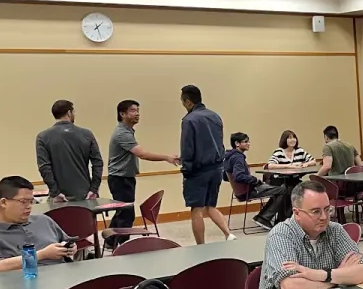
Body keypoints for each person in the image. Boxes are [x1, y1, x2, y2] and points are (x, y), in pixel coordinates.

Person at [106, 100, 178, 248]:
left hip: (124, 178)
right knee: (126, 214)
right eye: (133, 110)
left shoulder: (127, 131)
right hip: (120, 179)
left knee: (123, 213)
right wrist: (166, 157)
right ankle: (117, 245)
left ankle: (111, 242)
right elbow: (142, 154)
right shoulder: (122, 133)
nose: (137, 113)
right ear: (122, 114)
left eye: (138, 110)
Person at [179, 84, 233, 245]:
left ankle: (200, 246)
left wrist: (186, 167)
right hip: (216, 168)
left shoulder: (189, 120)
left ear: (188, 102)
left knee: (196, 209)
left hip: (197, 170)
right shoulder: (215, 116)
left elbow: (188, 147)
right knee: (210, 205)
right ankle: (229, 234)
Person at [35, 99, 103, 202]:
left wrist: (55, 192)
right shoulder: (86, 134)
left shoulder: (43, 137)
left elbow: (44, 167)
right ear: (69, 112)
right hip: (85, 195)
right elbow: (97, 163)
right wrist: (94, 189)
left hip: (59, 197)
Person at [224, 132, 288, 230]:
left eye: (248, 141)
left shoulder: (229, 157)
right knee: (283, 190)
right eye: (245, 142)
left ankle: (264, 216)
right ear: (237, 143)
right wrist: (255, 180)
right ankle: (264, 218)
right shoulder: (238, 157)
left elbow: (225, 176)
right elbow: (239, 176)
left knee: (277, 188)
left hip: (241, 191)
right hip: (249, 191)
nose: (248, 143)